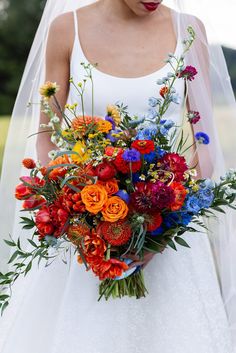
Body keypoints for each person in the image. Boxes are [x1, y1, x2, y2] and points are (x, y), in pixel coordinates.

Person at [0, 1, 235, 352]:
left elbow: (205, 149)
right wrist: (81, 211)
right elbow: (47, 137)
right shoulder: (67, 30)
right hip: (85, 241)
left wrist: (159, 225)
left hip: (168, 239)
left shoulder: (189, 30)